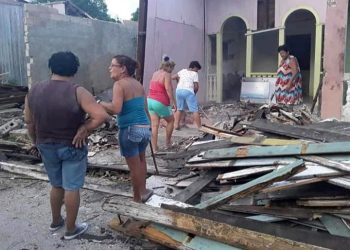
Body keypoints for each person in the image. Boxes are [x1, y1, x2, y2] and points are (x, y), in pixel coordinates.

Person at [24, 51, 109, 240]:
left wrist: (35, 141)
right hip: (72, 145)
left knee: (56, 185)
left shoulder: (34, 91)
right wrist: (86, 128)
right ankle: (71, 229)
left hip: (45, 144)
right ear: (74, 69)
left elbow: (29, 122)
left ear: (51, 67)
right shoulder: (77, 91)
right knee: (71, 187)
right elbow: (102, 116)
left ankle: (56, 222)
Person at [99, 55, 153, 203]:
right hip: (144, 127)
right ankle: (143, 190)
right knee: (142, 160)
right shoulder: (138, 84)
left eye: (112, 65)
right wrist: (150, 128)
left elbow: (116, 108)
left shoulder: (119, 85)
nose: (109, 68)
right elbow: (146, 108)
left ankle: (137, 198)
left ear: (122, 69)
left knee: (134, 166)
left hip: (129, 129)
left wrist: (100, 103)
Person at [147, 57, 176, 152]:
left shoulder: (155, 73)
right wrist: (173, 102)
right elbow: (168, 89)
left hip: (150, 100)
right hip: (160, 101)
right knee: (171, 120)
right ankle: (168, 143)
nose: (172, 71)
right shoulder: (166, 74)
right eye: (172, 68)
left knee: (154, 125)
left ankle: (155, 148)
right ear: (168, 67)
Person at [173, 61, 202, 129]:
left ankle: (176, 125)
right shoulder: (194, 74)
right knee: (195, 110)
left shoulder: (182, 71)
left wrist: (178, 80)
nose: (197, 71)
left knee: (179, 109)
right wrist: (194, 93)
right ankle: (200, 127)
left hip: (179, 91)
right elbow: (196, 86)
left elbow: (173, 77)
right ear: (194, 67)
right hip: (188, 91)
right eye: (197, 69)